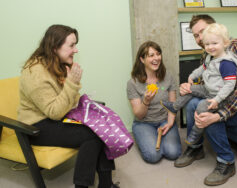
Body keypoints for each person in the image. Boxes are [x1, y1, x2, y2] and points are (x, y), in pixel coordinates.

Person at [18, 24, 119, 188]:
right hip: (35, 127)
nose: (76, 50)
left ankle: (106, 184)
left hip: (57, 117)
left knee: (101, 126)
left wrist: (75, 90)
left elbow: (70, 101)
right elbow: (54, 112)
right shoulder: (34, 72)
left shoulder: (56, 63)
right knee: (92, 134)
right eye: (71, 45)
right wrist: (72, 83)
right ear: (55, 47)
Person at [174, 15, 237, 186]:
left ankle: (226, 162)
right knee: (193, 102)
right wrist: (189, 87)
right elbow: (210, 85)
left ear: (215, 27)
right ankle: (195, 149)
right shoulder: (209, 52)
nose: (200, 38)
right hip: (226, 97)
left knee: (209, 112)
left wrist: (219, 115)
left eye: (202, 32)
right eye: (195, 35)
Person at [161, 23, 237, 146]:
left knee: (202, 106)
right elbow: (201, 69)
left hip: (219, 96)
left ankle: (195, 134)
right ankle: (174, 107)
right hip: (208, 89)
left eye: (214, 43)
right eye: (207, 44)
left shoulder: (226, 63)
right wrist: (191, 76)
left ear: (225, 43)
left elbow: (229, 85)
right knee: (189, 89)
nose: (210, 47)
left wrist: (217, 100)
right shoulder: (210, 57)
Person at [127, 41, 182, 164]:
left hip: (164, 120)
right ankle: (147, 136)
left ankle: (163, 138)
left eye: (158, 54)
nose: (156, 58)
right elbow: (139, 115)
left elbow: (172, 105)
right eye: (151, 55)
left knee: (173, 153)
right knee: (153, 156)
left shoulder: (168, 76)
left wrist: (169, 123)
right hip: (144, 123)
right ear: (142, 59)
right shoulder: (133, 83)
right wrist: (146, 101)